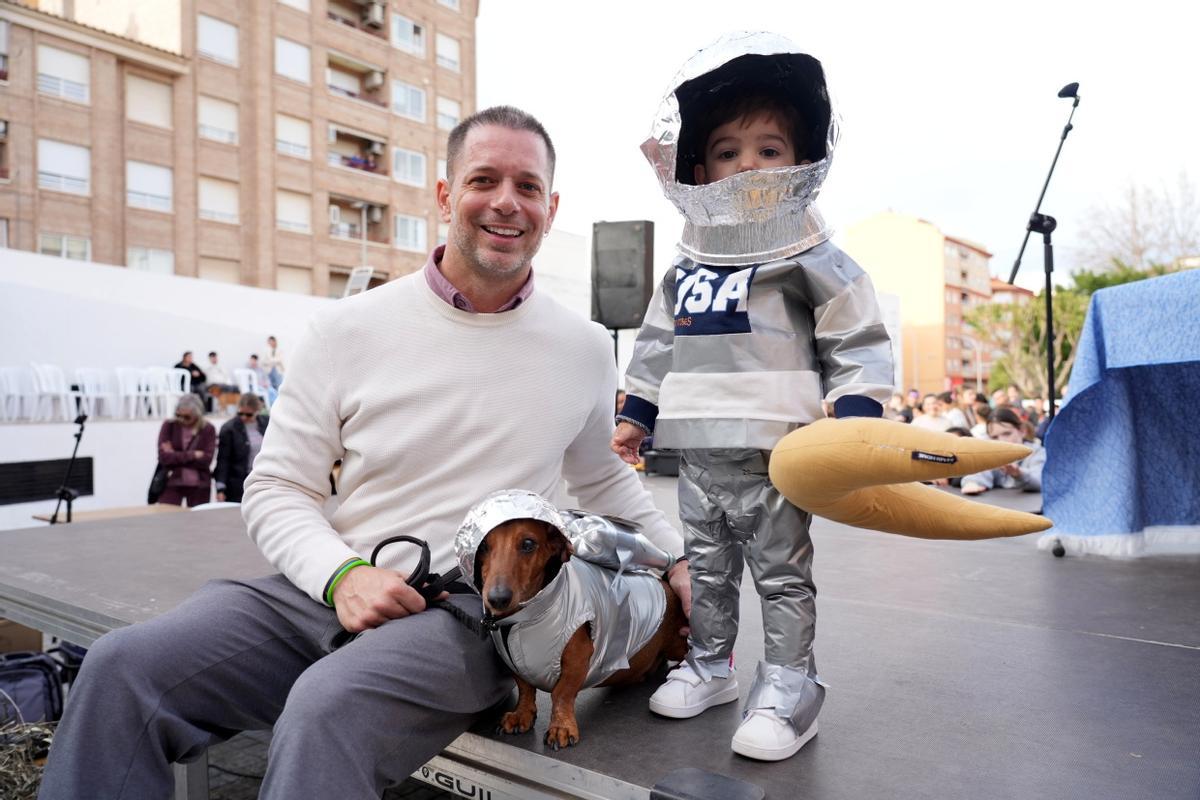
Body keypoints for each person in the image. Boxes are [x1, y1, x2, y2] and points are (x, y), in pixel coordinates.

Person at [39, 106, 689, 800]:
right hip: (324, 588)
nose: (506, 202)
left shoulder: (583, 348)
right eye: (484, 180)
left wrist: (678, 559)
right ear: (444, 195)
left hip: (471, 615)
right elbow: (277, 487)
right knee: (119, 669)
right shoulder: (347, 329)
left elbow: (601, 481)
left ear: (550, 207)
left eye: (527, 186)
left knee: (328, 709)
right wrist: (343, 576)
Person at [612, 34, 894, 762]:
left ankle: (792, 686)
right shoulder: (687, 264)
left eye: (770, 150)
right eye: (730, 151)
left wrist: (858, 411)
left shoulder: (811, 256)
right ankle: (710, 665)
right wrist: (635, 412)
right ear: (700, 169)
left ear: (801, 165)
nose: (748, 166)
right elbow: (656, 341)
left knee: (778, 572)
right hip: (700, 449)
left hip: (778, 449)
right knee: (705, 566)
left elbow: (855, 333)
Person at [960, 406, 1045, 494]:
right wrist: (972, 483)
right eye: (994, 437)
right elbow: (979, 473)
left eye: (1007, 433)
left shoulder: (1037, 452)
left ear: (1022, 431)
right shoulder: (991, 454)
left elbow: (1040, 480)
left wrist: (1018, 473)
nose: (1001, 441)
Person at [154, 393, 216, 507]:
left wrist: (175, 455)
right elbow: (164, 458)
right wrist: (193, 455)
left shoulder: (208, 429)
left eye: (187, 417)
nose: (181, 419)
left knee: (197, 521)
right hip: (171, 481)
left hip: (200, 484)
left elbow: (206, 460)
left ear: (197, 415)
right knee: (167, 518)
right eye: (178, 415)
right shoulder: (169, 425)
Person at [213, 393, 269, 503]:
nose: (244, 417)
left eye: (248, 414)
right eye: (240, 413)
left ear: (257, 411)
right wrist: (220, 488)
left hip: (263, 480)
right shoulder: (229, 428)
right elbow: (223, 460)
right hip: (238, 483)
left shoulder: (267, 423)